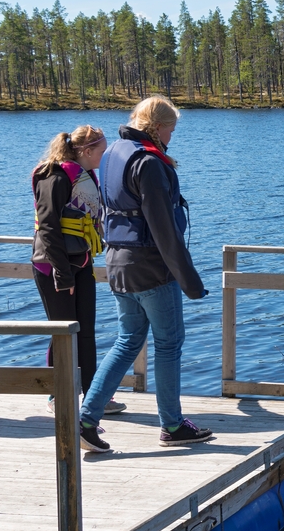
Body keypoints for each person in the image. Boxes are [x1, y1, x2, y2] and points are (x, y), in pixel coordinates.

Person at [79, 96, 211, 453]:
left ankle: (86, 418)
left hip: (118, 263)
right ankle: (172, 425)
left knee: (127, 340)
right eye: (171, 127)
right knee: (169, 345)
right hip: (152, 268)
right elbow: (163, 229)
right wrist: (191, 281)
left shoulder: (113, 154)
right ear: (157, 126)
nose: (173, 134)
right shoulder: (149, 162)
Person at [30, 125, 126, 416]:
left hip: (81, 262)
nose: (106, 154)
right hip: (53, 267)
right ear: (86, 151)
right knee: (63, 332)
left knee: (85, 332)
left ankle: (94, 396)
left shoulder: (86, 176)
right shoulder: (55, 175)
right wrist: (62, 273)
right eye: (102, 149)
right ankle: (57, 395)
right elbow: (47, 227)